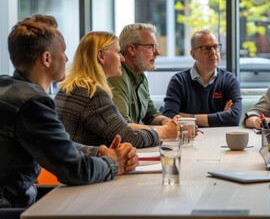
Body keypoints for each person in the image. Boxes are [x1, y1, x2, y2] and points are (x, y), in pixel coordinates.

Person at [0, 15, 138, 208]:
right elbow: (75, 170)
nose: (66, 58)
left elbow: (57, 144)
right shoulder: (32, 102)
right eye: (63, 51)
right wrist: (114, 164)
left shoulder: (11, 90)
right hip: (12, 208)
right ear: (46, 58)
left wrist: (99, 152)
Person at [55, 31, 165, 148]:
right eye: (118, 52)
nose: (122, 58)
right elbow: (130, 138)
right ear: (101, 56)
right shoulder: (93, 94)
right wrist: (163, 132)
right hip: (80, 164)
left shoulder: (70, 88)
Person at [107, 23, 177, 137]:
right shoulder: (116, 76)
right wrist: (165, 130)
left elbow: (151, 114)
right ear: (132, 49)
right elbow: (122, 126)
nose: (157, 53)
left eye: (156, 46)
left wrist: (167, 122)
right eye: (150, 47)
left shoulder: (141, 76)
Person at [162, 29, 242, 127]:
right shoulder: (179, 81)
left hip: (220, 138)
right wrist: (221, 117)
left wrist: (184, 116)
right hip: (189, 139)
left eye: (216, 47)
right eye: (206, 48)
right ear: (193, 54)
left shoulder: (229, 80)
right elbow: (169, 116)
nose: (213, 52)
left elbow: (234, 118)